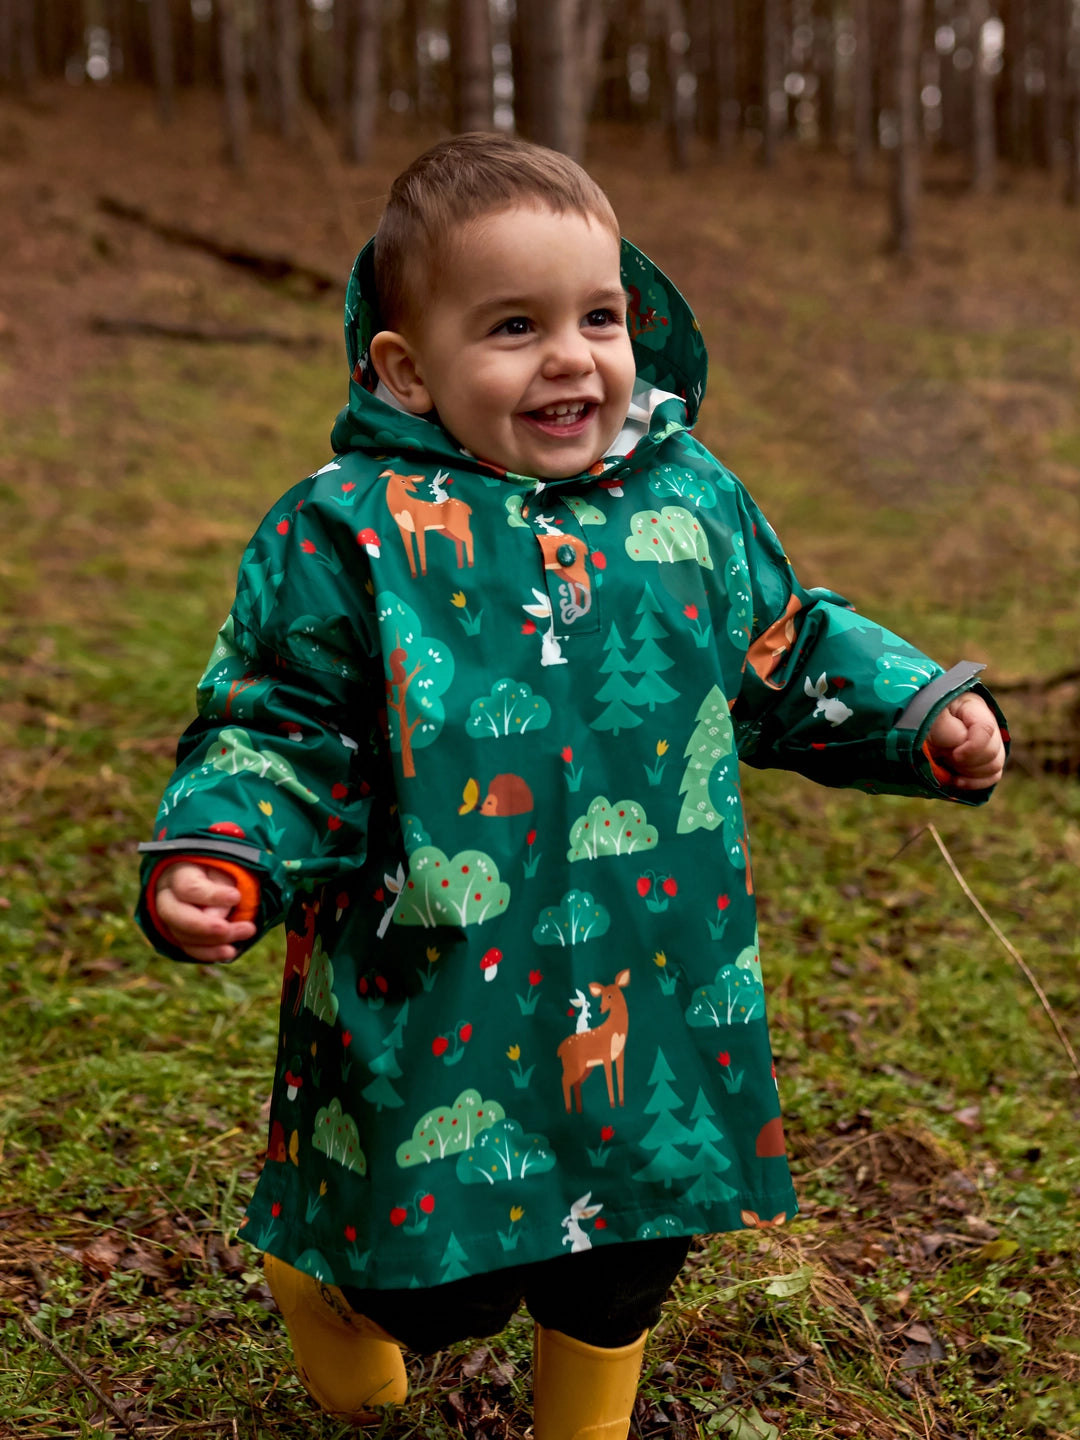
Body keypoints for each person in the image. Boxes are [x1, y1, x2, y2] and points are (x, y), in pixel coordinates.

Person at [136, 133, 1007, 1437]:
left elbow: (780, 644)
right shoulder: (344, 535)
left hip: (657, 966)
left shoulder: (684, 501)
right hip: (437, 983)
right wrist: (223, 846)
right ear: (407, 371)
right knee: (434, 1279)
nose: (570, 356)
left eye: (600, 316)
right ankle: (335, 1292)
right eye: (512, 325)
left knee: (630, 1248)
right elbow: (282, 722)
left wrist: (917, 712)